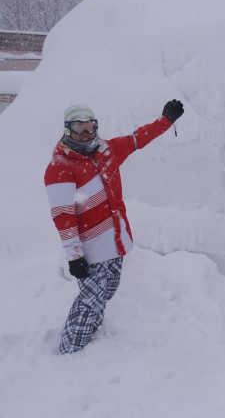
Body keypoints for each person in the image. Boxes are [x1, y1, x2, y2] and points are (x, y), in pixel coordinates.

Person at [44, 99, 184, 354]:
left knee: (107, 291)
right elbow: (63, 216)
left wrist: (166, 121)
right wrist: (74, 256)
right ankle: (70, 350)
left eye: (90, 127)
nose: (86, 133)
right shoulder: (60, 167)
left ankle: (90, 329)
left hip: (114, 241)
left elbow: (136, 139)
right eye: (79, 128)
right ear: (67, 130)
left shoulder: (107, 151)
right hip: (89, 248)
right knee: (90, 300)